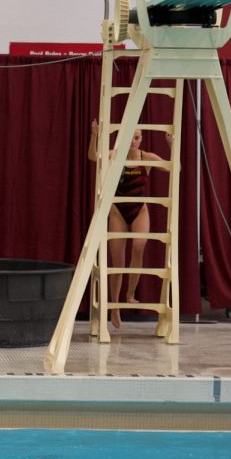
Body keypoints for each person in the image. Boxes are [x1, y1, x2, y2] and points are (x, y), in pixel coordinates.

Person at [88, 120, 164, 329]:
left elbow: (175, 167)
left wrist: (171, 146)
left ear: (141, 140)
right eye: (130, 136)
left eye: (137, 137)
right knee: (118, 260)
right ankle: (115, 306)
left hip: (139, 210)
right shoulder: (115, 154)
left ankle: (130, 294)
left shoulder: (146, 158)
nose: (133, 141)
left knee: (139, 246)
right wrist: (95, 135)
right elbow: (93, 157)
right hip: (118, 211)